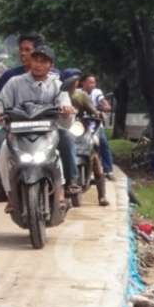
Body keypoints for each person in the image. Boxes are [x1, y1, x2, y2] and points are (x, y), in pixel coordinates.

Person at [0, 42, 80, 212]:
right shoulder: (14, 82)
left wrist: (66, 110)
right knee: (3, 152)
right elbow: (0, 103)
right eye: (36, 60)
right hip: (19, 132)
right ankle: (10, 196)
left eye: (44, 61)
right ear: (30, 62)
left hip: (47, 132)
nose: (39, 65)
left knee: (59, 149)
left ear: (51, 65)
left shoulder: (57, 85)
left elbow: (64, 103)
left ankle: (63, 190)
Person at [61, 69, 109, 206]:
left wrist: (98, 114)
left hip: (80, 129)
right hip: (62, 129)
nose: (74, 82)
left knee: (94, 151)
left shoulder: (81, 95)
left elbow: (93, 110)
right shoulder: (57, 94)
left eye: (75, 80)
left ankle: (102, 195)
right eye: (72, 79)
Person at [80, 74, 114, 176]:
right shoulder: (78, 93)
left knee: (103, 143)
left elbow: (102, 101)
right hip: (81, 124)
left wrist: (106, 106)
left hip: (95, 124)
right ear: (83, 82)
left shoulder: (97, 92)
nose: (92, 85)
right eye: (90, 82)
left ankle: (108, 170)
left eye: (94, 82)